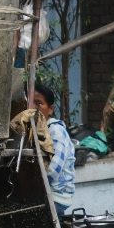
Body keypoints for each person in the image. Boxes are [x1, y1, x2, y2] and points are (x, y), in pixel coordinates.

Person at [32, 84, 76, 216]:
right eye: (31, 103)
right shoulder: (33, 130)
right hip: (43, 194)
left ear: (50, 109)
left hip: (57, 197)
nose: (34, 108)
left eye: (39, 103)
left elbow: (52, 171)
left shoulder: (55, 131)